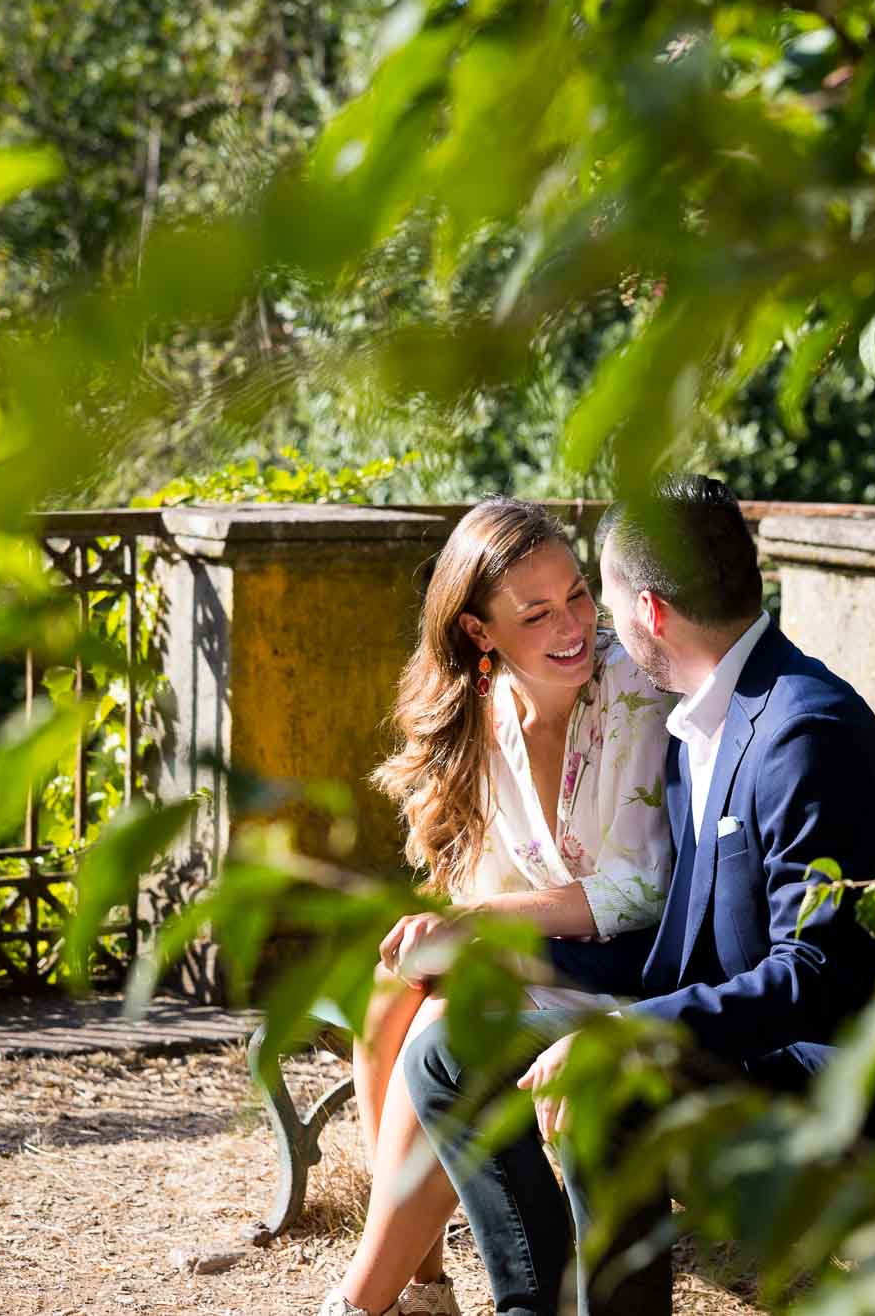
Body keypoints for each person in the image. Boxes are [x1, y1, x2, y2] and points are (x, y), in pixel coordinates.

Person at [404, 474, 875, 1316]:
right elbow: (685, 951)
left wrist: (633, 1031)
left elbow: (818, 973)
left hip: (825, 1071)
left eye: (595, 599)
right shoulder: (702, 722)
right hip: (732, 1035)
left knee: (609, 1085)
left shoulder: (800, 731)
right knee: (446, 1057)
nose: (591, 626)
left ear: (648, 611)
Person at [318, 497, 675, 1316]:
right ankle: (423, 1282)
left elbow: (647, 887)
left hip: (629, 967)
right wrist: (449, 934)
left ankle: (358, 1302)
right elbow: (480, 880)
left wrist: (481, 931)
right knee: (390, 996)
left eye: (580, 594)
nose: (574, 625)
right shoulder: (482, 711)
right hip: (536, 954)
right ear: (481, 634)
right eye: (537, 612)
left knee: (445, 1036)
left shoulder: (634, 695)